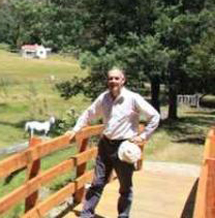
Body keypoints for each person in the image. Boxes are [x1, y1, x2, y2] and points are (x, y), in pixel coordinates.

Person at [65, 68, 160, 218]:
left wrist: (143, 137)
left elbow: (154, 116)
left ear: (123, 80)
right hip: (105, 145)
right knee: (97, 183)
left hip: (124, 148)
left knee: (125, 187)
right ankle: (86, 214)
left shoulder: (132, 98)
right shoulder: (103, 98)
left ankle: (123, 216)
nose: (113, 81)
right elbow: (89, 113)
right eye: (110, 79)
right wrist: (75, 130)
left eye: (116, 78)